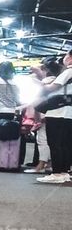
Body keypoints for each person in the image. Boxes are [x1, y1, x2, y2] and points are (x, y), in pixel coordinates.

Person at [37, 48, 72, 185]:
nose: (64, 58)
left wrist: (39, 83)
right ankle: (64, 172)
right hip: (69, 113)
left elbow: (52, 88)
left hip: (57, 111)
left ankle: (57, 172)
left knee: (55, 143)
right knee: (66, 144)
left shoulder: (68, 72)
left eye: (66, 55)